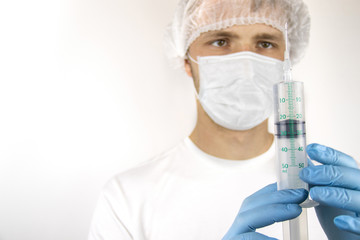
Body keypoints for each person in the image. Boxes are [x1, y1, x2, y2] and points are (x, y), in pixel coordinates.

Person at [88, 0, 360, 239]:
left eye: (265, 43)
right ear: (186, 61)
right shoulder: (127, 198)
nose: (245, 64)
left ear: (286, 59)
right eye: (221, 41)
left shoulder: (335, 193)